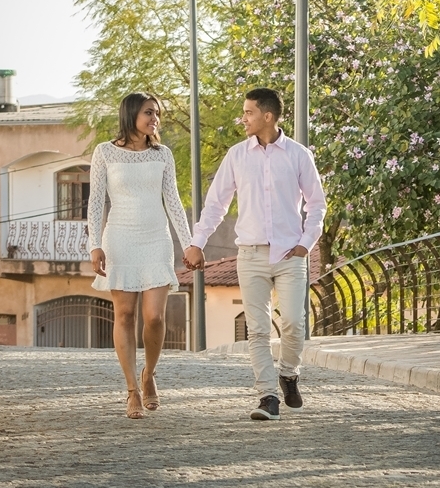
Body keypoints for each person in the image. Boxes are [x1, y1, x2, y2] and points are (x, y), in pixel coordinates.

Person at [183, 87, 326, 421]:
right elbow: (215, 204)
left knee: (294, 323)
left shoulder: (298, 155)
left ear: (268, 116)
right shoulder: (236, 156)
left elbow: (317, 204)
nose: (243, 118)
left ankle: (288, 373)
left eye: (249, 112)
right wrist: (197, 242)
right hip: (250, 255)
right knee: (258, 329)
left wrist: (307, 242)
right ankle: (267, 397)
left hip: (291, 255)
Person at [88, 92, 192, 419]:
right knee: (124, 315)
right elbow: (95, 202)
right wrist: (94, 244)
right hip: (119, 238)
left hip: (156, 239)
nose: (154, 119)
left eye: (157, 113)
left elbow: (173, 202)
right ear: (131, 113)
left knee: (155, 317)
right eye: (149, 112)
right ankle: (132, 389)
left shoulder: (163, 154)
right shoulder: (105, 152)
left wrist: (189, 244)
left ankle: (149, 373)